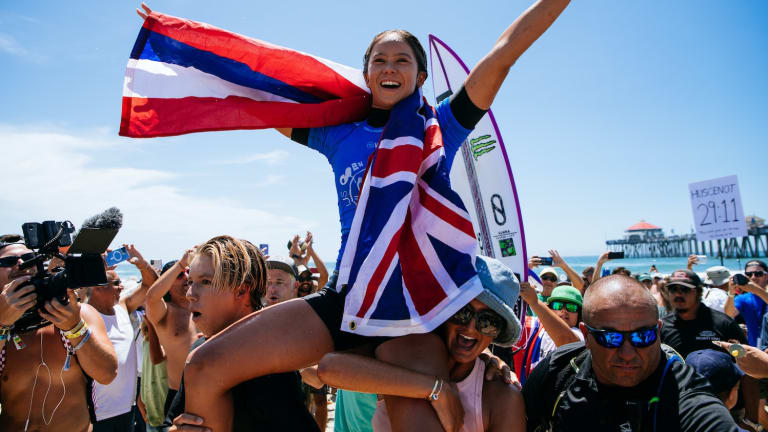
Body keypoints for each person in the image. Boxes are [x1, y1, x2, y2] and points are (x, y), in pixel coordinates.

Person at [136, 1, 574, 429]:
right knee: (203, 367)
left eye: (402, 60)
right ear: (366, 75)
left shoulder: (442, 127)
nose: (389, 67)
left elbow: (502, 57)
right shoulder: (337, 135)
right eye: (379, 60)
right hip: (347, 298)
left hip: (412, 313)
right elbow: (259, 89)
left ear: (420, 76)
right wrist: (181, 46)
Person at [316, 255, 525, 432]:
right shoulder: (402, 353)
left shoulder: (501, 396)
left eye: (488, 322)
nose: (470, 328)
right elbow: (328, 368)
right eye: (463, 311)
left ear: (497, 333)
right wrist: (436, 390)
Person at [522, 274, 740, 431]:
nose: (627, 353)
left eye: (642, 336)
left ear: (658, 332)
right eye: (610, 338)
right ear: (586, 336)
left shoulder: (683, 392)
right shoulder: (559, 371)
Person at [165, 235, 319, 431]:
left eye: (204, 281)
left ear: (241, 290)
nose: (190, 294)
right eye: (191, 282)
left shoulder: (268, 363)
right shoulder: (200, 350)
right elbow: (169, 421)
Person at [0, 241, 118, 431]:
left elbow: (107, 374)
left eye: (29, 259)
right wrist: (2, 325)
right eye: (9, 261)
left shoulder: (78, 313)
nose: (21, 263)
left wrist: (74, 328)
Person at [88, 244, 157, 431]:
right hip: (96, 412)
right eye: (116, 283)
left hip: (127, 408)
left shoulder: (123, 306)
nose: (121, 287)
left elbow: (151, 286)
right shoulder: (84, 312)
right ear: (97, 288)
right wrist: (95, 268)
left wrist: (141, 264)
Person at [144, 258, 197, 418]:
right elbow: (151, 298)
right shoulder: (166, 313)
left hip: (208, 390)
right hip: (179, 396)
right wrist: (180, 264)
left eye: (188, 272)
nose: (186, 277)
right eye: (180, 275)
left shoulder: (201, 307)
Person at [660, 269, 746, 358]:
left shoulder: (724, 324)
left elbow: (744, 359)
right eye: (673, 289)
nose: (678, 294)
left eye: (684, 289)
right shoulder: (662, 326)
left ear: (699, 292)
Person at [515, 283, 581, 382]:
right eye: (557, 305)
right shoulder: (535, 326)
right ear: (549, 308)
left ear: (579, 314)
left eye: (571, 307)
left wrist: (535, 302)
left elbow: (568, 342)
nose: (564, 311)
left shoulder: (581, 335)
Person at [725, 260, 768, 347]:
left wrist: (756, 290)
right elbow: (729, 315)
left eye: (758, 274)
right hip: (756, 348)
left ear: (766, 276)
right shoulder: (743, 298)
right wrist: (731, 293)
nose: (753, 277)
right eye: (749, 274)